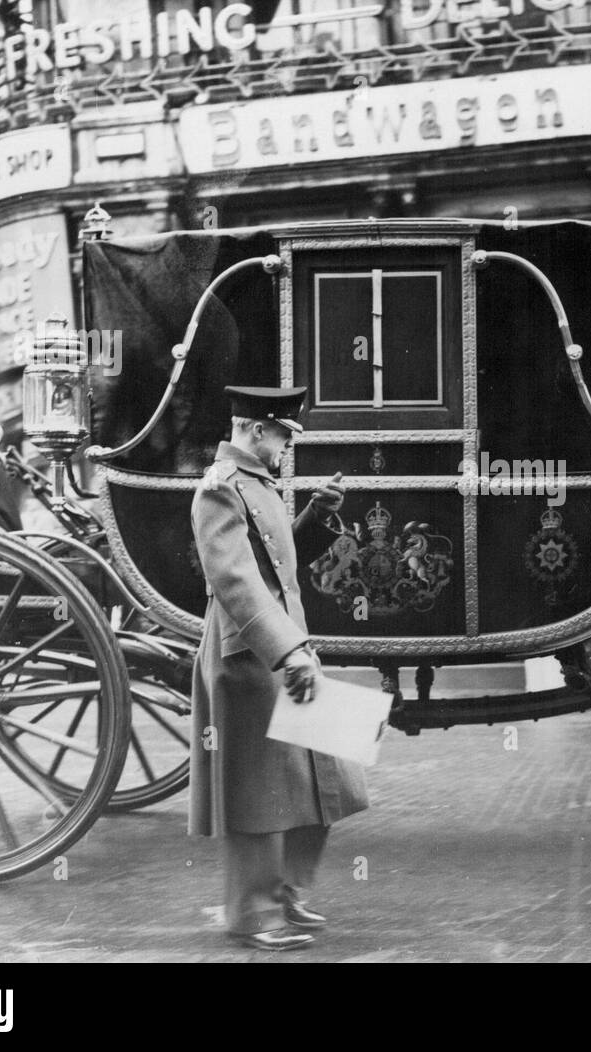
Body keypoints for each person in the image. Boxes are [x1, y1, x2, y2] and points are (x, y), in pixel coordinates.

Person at [189, 385, 367, 951]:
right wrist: (287, 651)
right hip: (249, 657)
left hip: (283, 649)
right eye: (284, 436)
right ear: (256, 430)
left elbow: (274, 561)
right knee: (260, 790)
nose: (288, 447)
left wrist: (315, 513)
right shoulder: (218, 490)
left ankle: (288, 888)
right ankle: (253, 913)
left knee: (332, 767)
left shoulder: (256, 484)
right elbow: (237, 582)